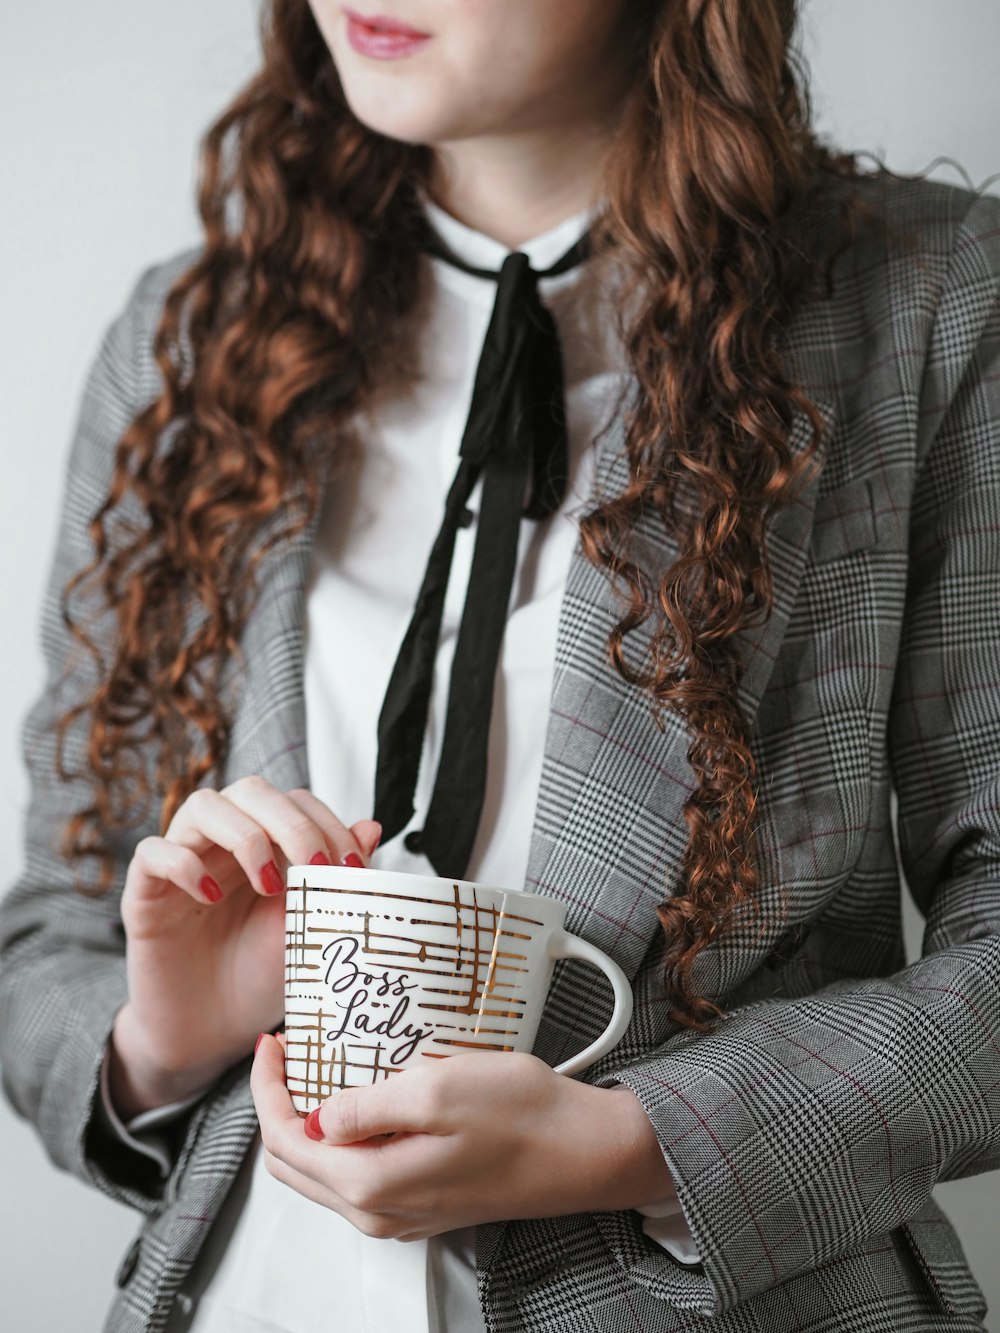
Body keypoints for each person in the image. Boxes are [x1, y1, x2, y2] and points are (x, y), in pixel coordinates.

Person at [1, 0, 998, 1329]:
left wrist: (646, 1141)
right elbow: (50, 931)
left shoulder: (932, 307)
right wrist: (169, 1029)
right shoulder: (189, 342)